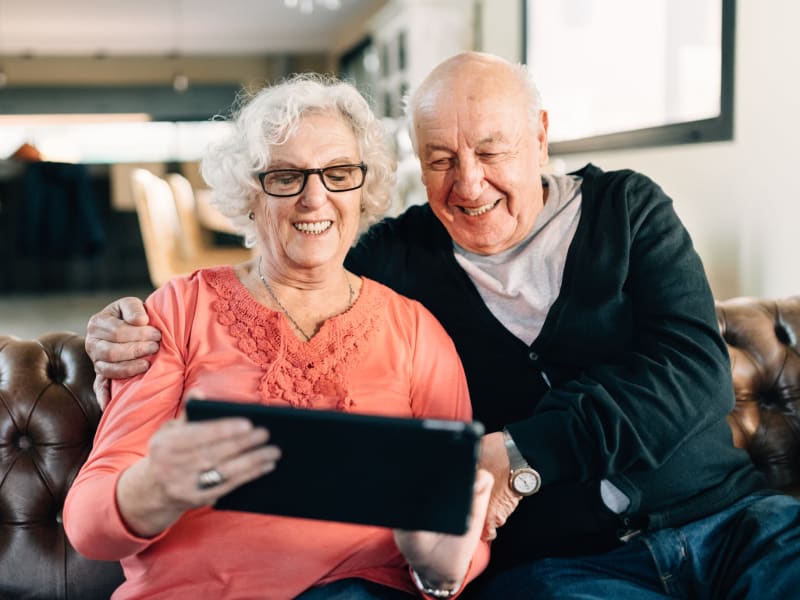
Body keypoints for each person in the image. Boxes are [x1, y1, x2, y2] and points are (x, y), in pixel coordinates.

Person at [84, 52, 800, 599]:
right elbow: (304, 249)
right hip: (569, 564)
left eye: (491, 151)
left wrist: (516, 455)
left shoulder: (626, 211)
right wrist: (119, 324)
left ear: (540, 137)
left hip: (729, 519)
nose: (469, 183)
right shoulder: (400, 259)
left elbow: (693, 375)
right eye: (441, 161)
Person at [64, 73, 493, 600]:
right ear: (249, 194)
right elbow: (87, 524)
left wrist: (438, 564)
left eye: (338, 173)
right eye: (286, 176)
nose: (315, 199)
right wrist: (155, 487)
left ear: (364, 189)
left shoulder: (417, 332)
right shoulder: (179, 310)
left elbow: (459, 534)